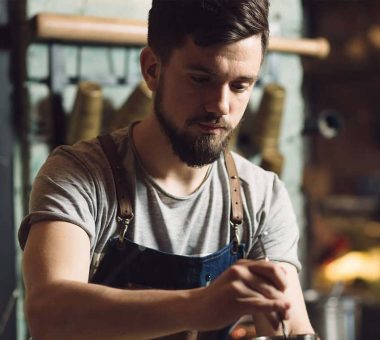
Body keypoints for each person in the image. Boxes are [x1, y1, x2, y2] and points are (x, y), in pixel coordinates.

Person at [19, 0, 316, 339]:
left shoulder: (261, 195)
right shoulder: (79, 174)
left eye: (240, 85)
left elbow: (291, 329)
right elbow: (48, 312)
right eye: (201, 79)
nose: (220, 105)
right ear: (152, 70)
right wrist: (197, 306)